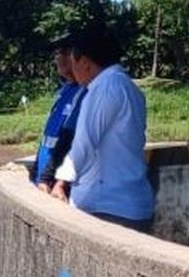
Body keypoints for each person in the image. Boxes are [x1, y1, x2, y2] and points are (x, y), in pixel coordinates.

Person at [50, 24, 154, 233]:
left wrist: (60, 183)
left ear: (86, 62)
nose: (71, 68)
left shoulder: (103, 89)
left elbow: (83, 144)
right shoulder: (130, 88)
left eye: (73, 60)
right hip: (132, 203)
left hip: (107, 207)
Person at [33, 37, 85, 193]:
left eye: (61, 53)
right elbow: (47, 138)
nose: (57, 58)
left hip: (60, 184)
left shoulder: (85, 93)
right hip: (45, 177)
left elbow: (69, 140)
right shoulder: (63, 92)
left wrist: (48, 178)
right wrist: (37, 171)